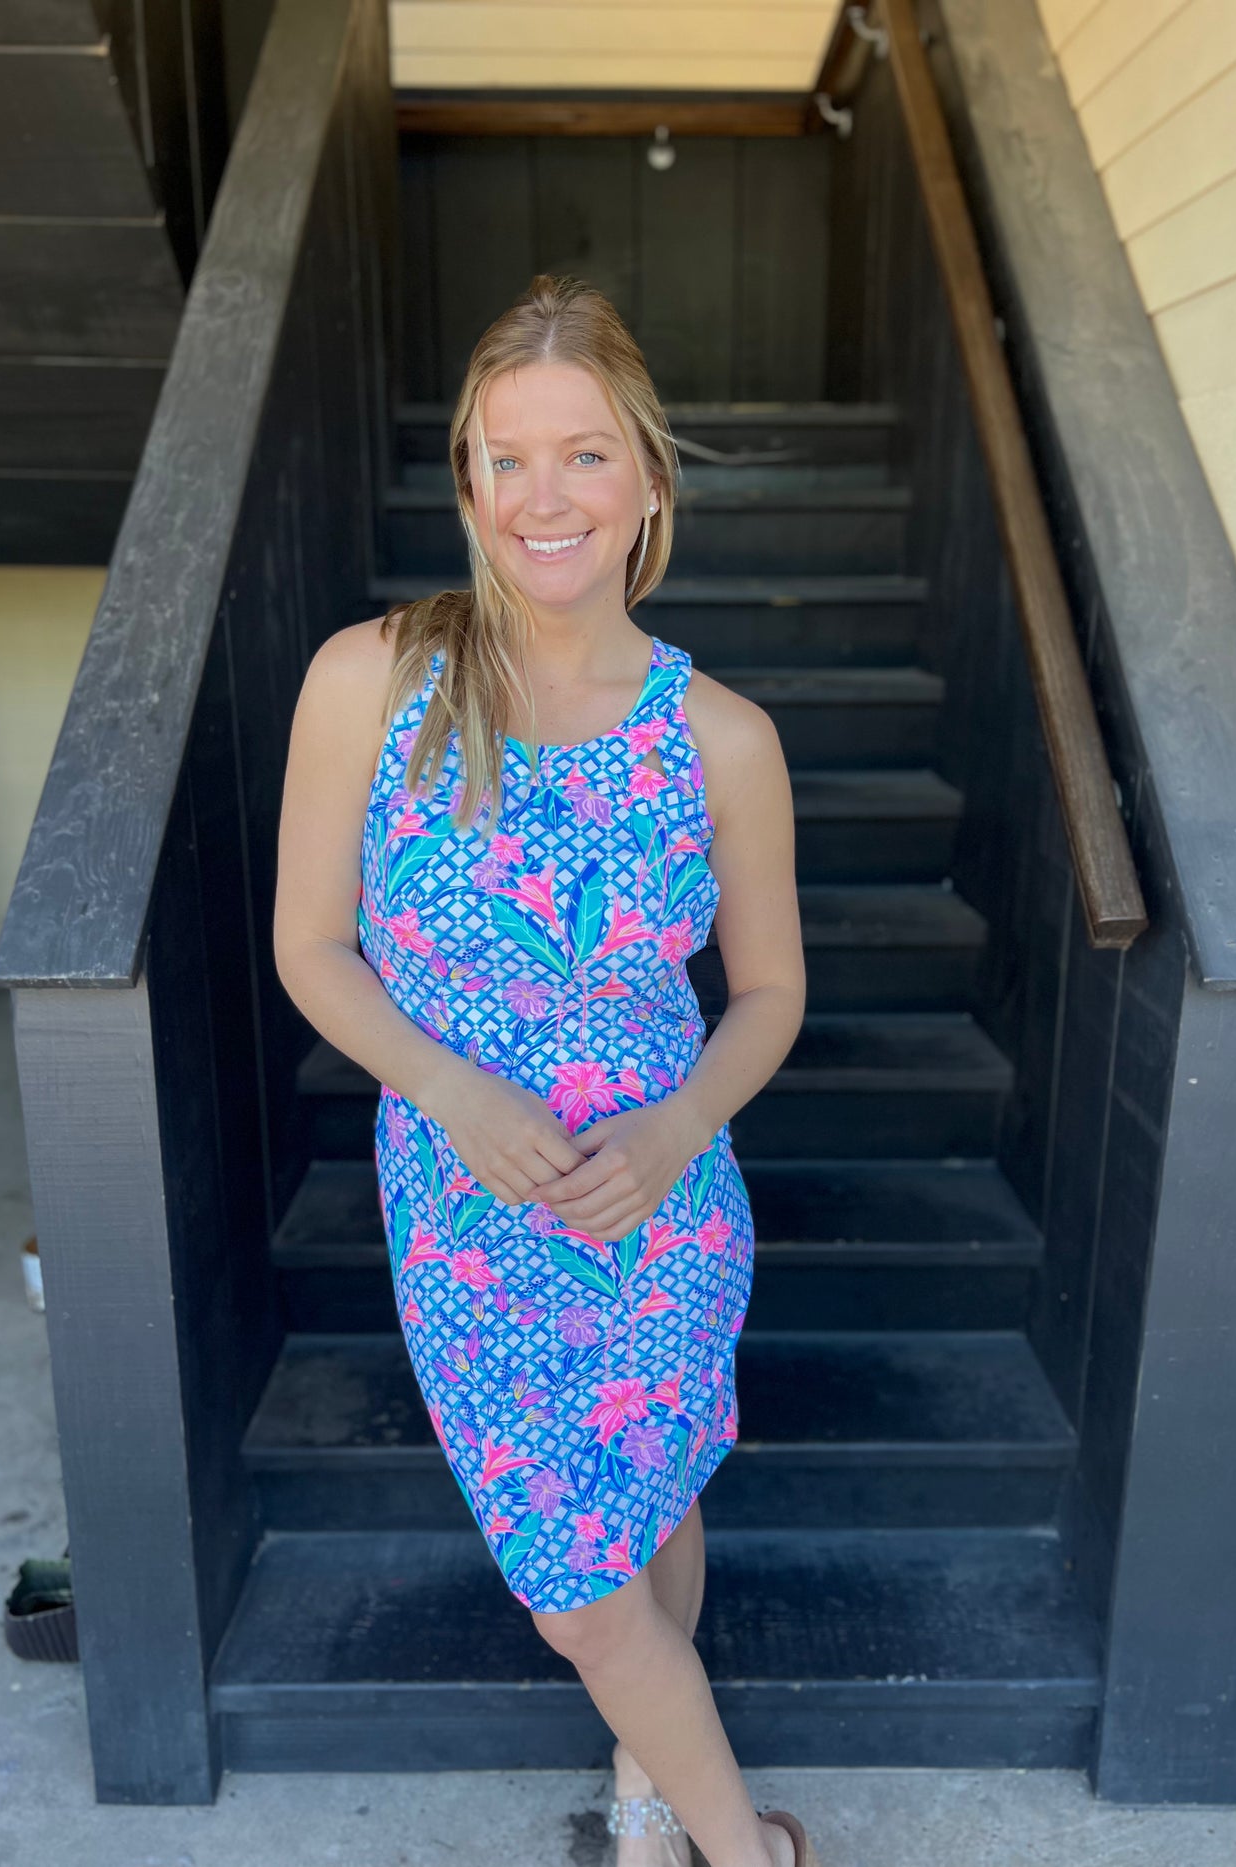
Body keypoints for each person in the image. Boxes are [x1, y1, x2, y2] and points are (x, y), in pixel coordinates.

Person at [274, 274, 814, 1867]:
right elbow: (311, 949)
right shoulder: (370, 682)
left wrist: (674, 1128)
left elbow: (772, 992)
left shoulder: (723, 736)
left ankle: (662, 1811)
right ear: (467, 484)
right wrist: (454, 1091)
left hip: (663, 1205)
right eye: (505, 459)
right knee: (580, 1587)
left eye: (583, 456)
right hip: (464, 1215)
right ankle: (755, 1850)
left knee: (656, 1503)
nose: (543, 498)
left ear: (648, 479)